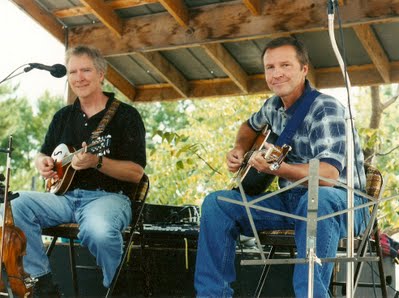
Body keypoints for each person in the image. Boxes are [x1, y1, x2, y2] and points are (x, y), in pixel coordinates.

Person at [194, 36, 369, 297]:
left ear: (304, 69)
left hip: (341, 203)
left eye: (285, 65)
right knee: (217, 204)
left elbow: (328, 175)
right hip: (291, 200)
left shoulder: (326, 108)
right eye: (270, 67)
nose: (277, 74)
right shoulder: (272, 106)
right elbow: (248, 127)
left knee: (316, 199)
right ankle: (212, 294)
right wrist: (240, 149)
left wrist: (278, 169)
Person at [5, 45, 146, 296]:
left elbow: (136, 173)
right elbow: (43, 154)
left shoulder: (126, 116)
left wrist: (98, 162)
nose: (78, 77)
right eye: (72, 72)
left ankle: (117, 289)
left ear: (101, 74)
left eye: (86, 70)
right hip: (64, 199)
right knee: (14, 205)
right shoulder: (63, 116)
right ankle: (42, 284)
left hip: (108, 199)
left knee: (98, 231)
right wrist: (43, 163)